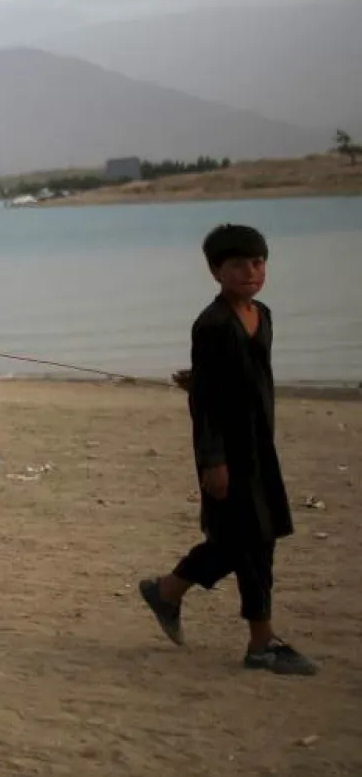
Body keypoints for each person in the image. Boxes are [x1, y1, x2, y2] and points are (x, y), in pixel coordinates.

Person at [138, 224, 317, 675]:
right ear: (217, 271)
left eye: (258, 263)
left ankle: (168, 590)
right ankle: (261, 643)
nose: (250, 272)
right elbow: (208, 406)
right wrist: (213, 462)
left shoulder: (264, 315)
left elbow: (239, 381)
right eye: (238, 265)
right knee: (251, 542)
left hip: (261, 449)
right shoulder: (213, 324)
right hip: (227, 455)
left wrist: (201, 380)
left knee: (246, 539)